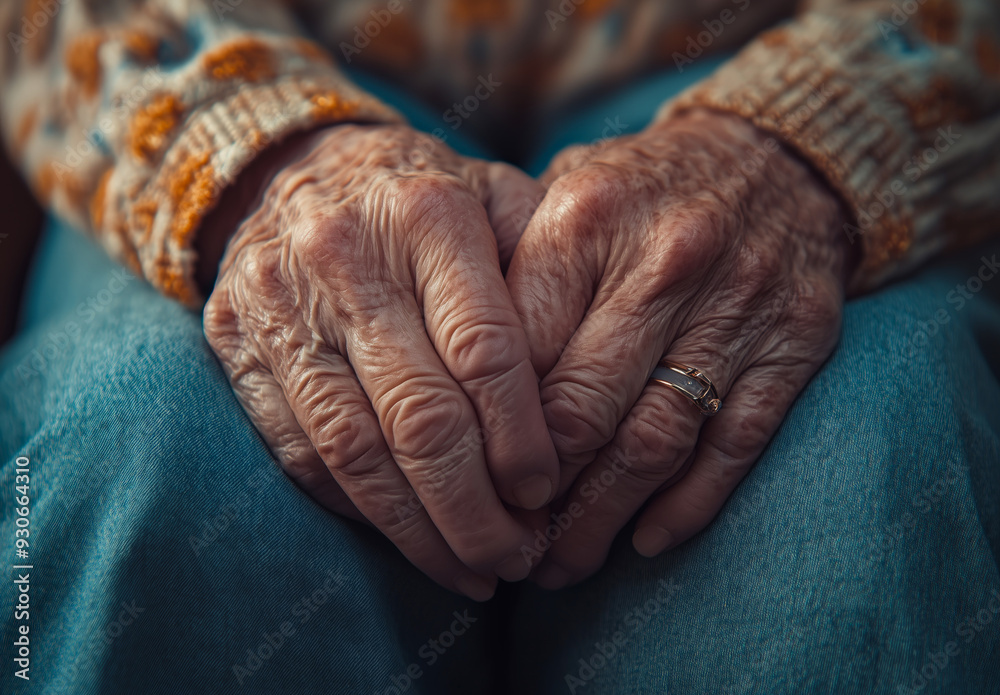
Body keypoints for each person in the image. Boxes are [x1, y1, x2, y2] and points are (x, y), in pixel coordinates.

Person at [1, 0, 998, 692]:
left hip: (786, 58)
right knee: (137, 436)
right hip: (215, 52)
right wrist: (252, 149)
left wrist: (812, 144)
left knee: (868, 438)